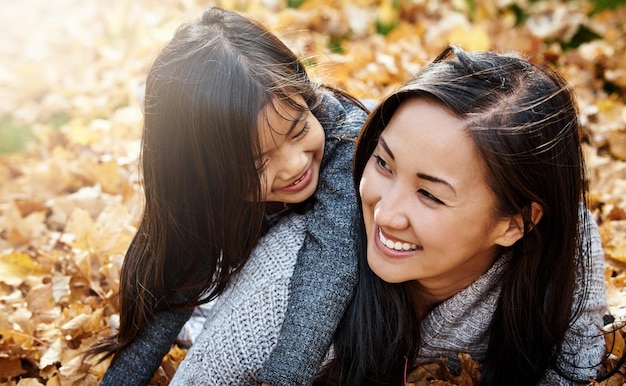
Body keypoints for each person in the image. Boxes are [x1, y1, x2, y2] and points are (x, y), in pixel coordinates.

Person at [89, 7, 367, 385]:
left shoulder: (346, 141)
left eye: (300, 130)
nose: (293, 165)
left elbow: (328, 267)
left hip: (349, 303)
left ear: (303, 93)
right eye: (258, 164)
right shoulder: (209, 184)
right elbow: (179, 283)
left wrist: (283, 378)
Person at [315, 46, 608, 385]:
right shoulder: (315, 228)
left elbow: (570, 374)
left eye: (430, 195)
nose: (385, 212)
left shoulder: (564, 258)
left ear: (515, 224)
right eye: (383, 163)